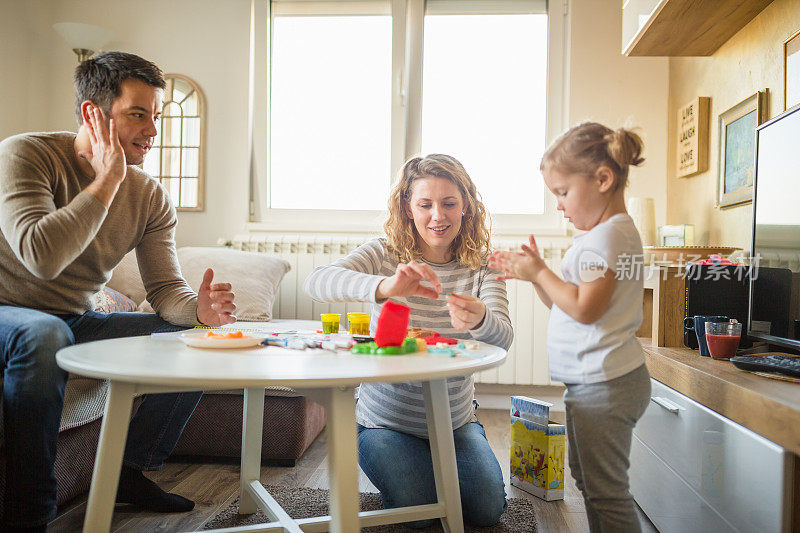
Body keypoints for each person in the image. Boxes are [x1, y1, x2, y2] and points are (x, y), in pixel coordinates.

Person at [0, 52, 237, 532]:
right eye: (138, 114)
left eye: (157, 115)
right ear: (93, 113)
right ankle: (28, 516)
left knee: (199, 340)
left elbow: (167, 290)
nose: (153, 130)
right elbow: (41, 256)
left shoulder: (149, 196)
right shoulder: (24, 155)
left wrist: (199, 313)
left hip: (77, 320)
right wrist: (107, 179)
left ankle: (129, 471)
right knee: (43, 335)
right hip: (11, 316)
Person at [303, 154, 512, 527]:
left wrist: (480, 316)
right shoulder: (386, 253)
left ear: (466, 205)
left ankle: (434, 463)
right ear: (407, 207)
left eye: (449, 203)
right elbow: (317, 281)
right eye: (425, 204)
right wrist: (385, 286)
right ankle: (398, 464)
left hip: (454, 422)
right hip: (386, 423)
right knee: (420, 510)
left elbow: (503, 338)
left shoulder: (484, 265)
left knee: (485, 509)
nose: (438, 215)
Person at [489, 122, 651, 532]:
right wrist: (536, 278)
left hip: (606, 385)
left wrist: (541, 271)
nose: (559, 205)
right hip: (596, 383)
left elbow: (584, 309)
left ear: (602, 178)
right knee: (591, 484)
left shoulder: (608, 239)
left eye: (562, 193)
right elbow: (565, 306)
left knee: (606, 491)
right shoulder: (604, 236)